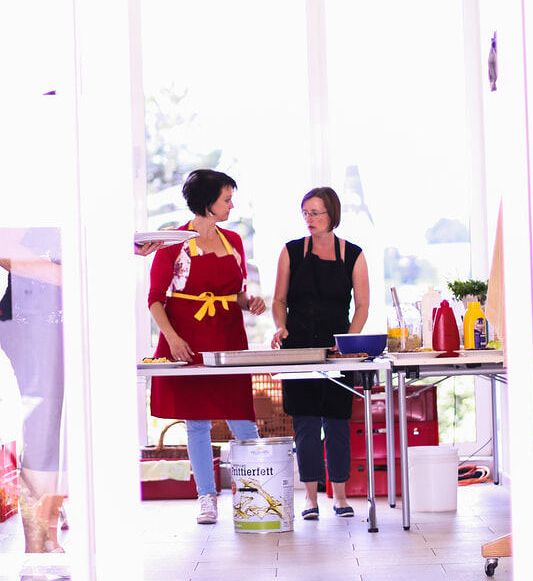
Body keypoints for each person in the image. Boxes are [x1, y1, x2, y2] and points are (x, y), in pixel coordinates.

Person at [148, 169, 266, 524]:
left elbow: (238, 293)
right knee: (196, 423)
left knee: (242, 418)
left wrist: (250, 303)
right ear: (207, 202)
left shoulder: (234, 240)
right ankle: (206, 497)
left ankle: (257, 496)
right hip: (188, 339)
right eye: (226, 199)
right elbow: (155, 299)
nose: (231, 205)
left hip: (228, 337)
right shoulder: (171, 244)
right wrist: (172, 339)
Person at [271, 187, 369, 520]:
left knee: (337, 422)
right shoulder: (291, 251)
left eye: (316, 213)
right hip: (297, 348)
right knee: (306, 424)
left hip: (337, 351)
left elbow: (363, 305)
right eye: (306, 213)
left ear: (332, 215)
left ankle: (340, 497)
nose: (309, 219)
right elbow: (278, 300)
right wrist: (280, 326)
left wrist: (348, 341)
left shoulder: (353, 254)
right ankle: (310, 499)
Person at [0, 226, 67, 581]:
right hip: (32, 319)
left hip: (70, 318)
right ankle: (34, 557)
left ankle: (50, 541)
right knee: (42, 438)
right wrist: (68, 276)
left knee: (66, 438)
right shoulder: (25, 196)